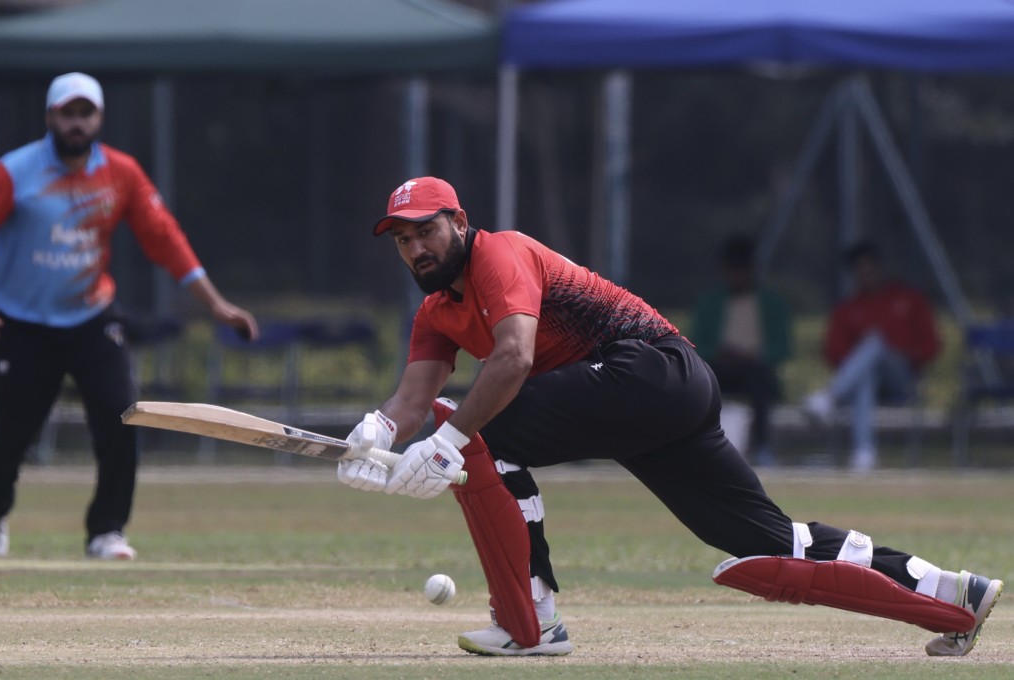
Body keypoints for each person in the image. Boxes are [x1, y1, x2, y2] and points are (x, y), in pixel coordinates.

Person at [336, 177, 1001, 658]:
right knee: (769, 543)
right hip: (654, 403)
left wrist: (451, 441)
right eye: (402, 240)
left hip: (648, 370)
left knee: (490, 432)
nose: (417, 248)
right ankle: (951, 593)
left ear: (459, 221)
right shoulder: (435, 313)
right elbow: (411, 400)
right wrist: (377, 433)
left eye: (427, 230)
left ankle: (530, 618)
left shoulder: (498, 253)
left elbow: (512, 359)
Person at [0, 72, 259, 560]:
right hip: (21, 325)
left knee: (122, 415)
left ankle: (107, 531)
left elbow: (165, 239)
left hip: (92, 319)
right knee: (8, 432)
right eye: (68, 113)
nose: (77, 122)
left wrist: (216, 305)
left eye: (86, 112)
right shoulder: (14, 172)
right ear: (51, 117)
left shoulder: (121, 172)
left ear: (99, 118)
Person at [803, 240, 940, 472]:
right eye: (860, 268)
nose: (866, 273)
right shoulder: (847, 308)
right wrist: (862, 361)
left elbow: (931, 344)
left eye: (870, 266)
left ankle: (829, 396)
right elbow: (833, 352)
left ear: (880, 267)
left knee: (875, 343)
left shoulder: (908, 298)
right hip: (864, 383)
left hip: (902, 380)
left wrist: (904, 354)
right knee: (866, 376)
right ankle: (864, 454)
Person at [691, 235, 791, 465]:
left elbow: (782, 346)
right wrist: (718, 352)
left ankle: (763, 448)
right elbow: (695, 343)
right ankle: (701, 448)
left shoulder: (770, 302)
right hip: (719, 367)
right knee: (701, 384)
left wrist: (755, 355)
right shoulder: (710, 302)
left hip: (755, 369)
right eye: (733, 269)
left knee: (759, 380)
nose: (737, 276)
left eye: (742, 269)